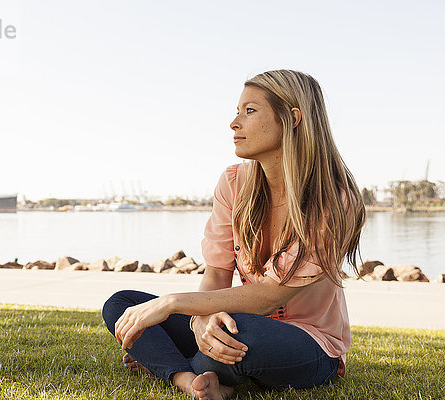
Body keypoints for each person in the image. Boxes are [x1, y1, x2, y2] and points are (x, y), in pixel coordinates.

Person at [102, 69, 365, 400]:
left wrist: (174, 304)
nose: (234, 123)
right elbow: (216, 274)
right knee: (124, 305)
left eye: (250, 111)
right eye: (237, 111)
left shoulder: (335, 200)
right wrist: (200, 321)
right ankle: (188, 379)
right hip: (234, 322)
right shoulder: (234, 183)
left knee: (241, 335)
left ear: (292, 119)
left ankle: (175, 362)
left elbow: (271, 296)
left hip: (309, 343)